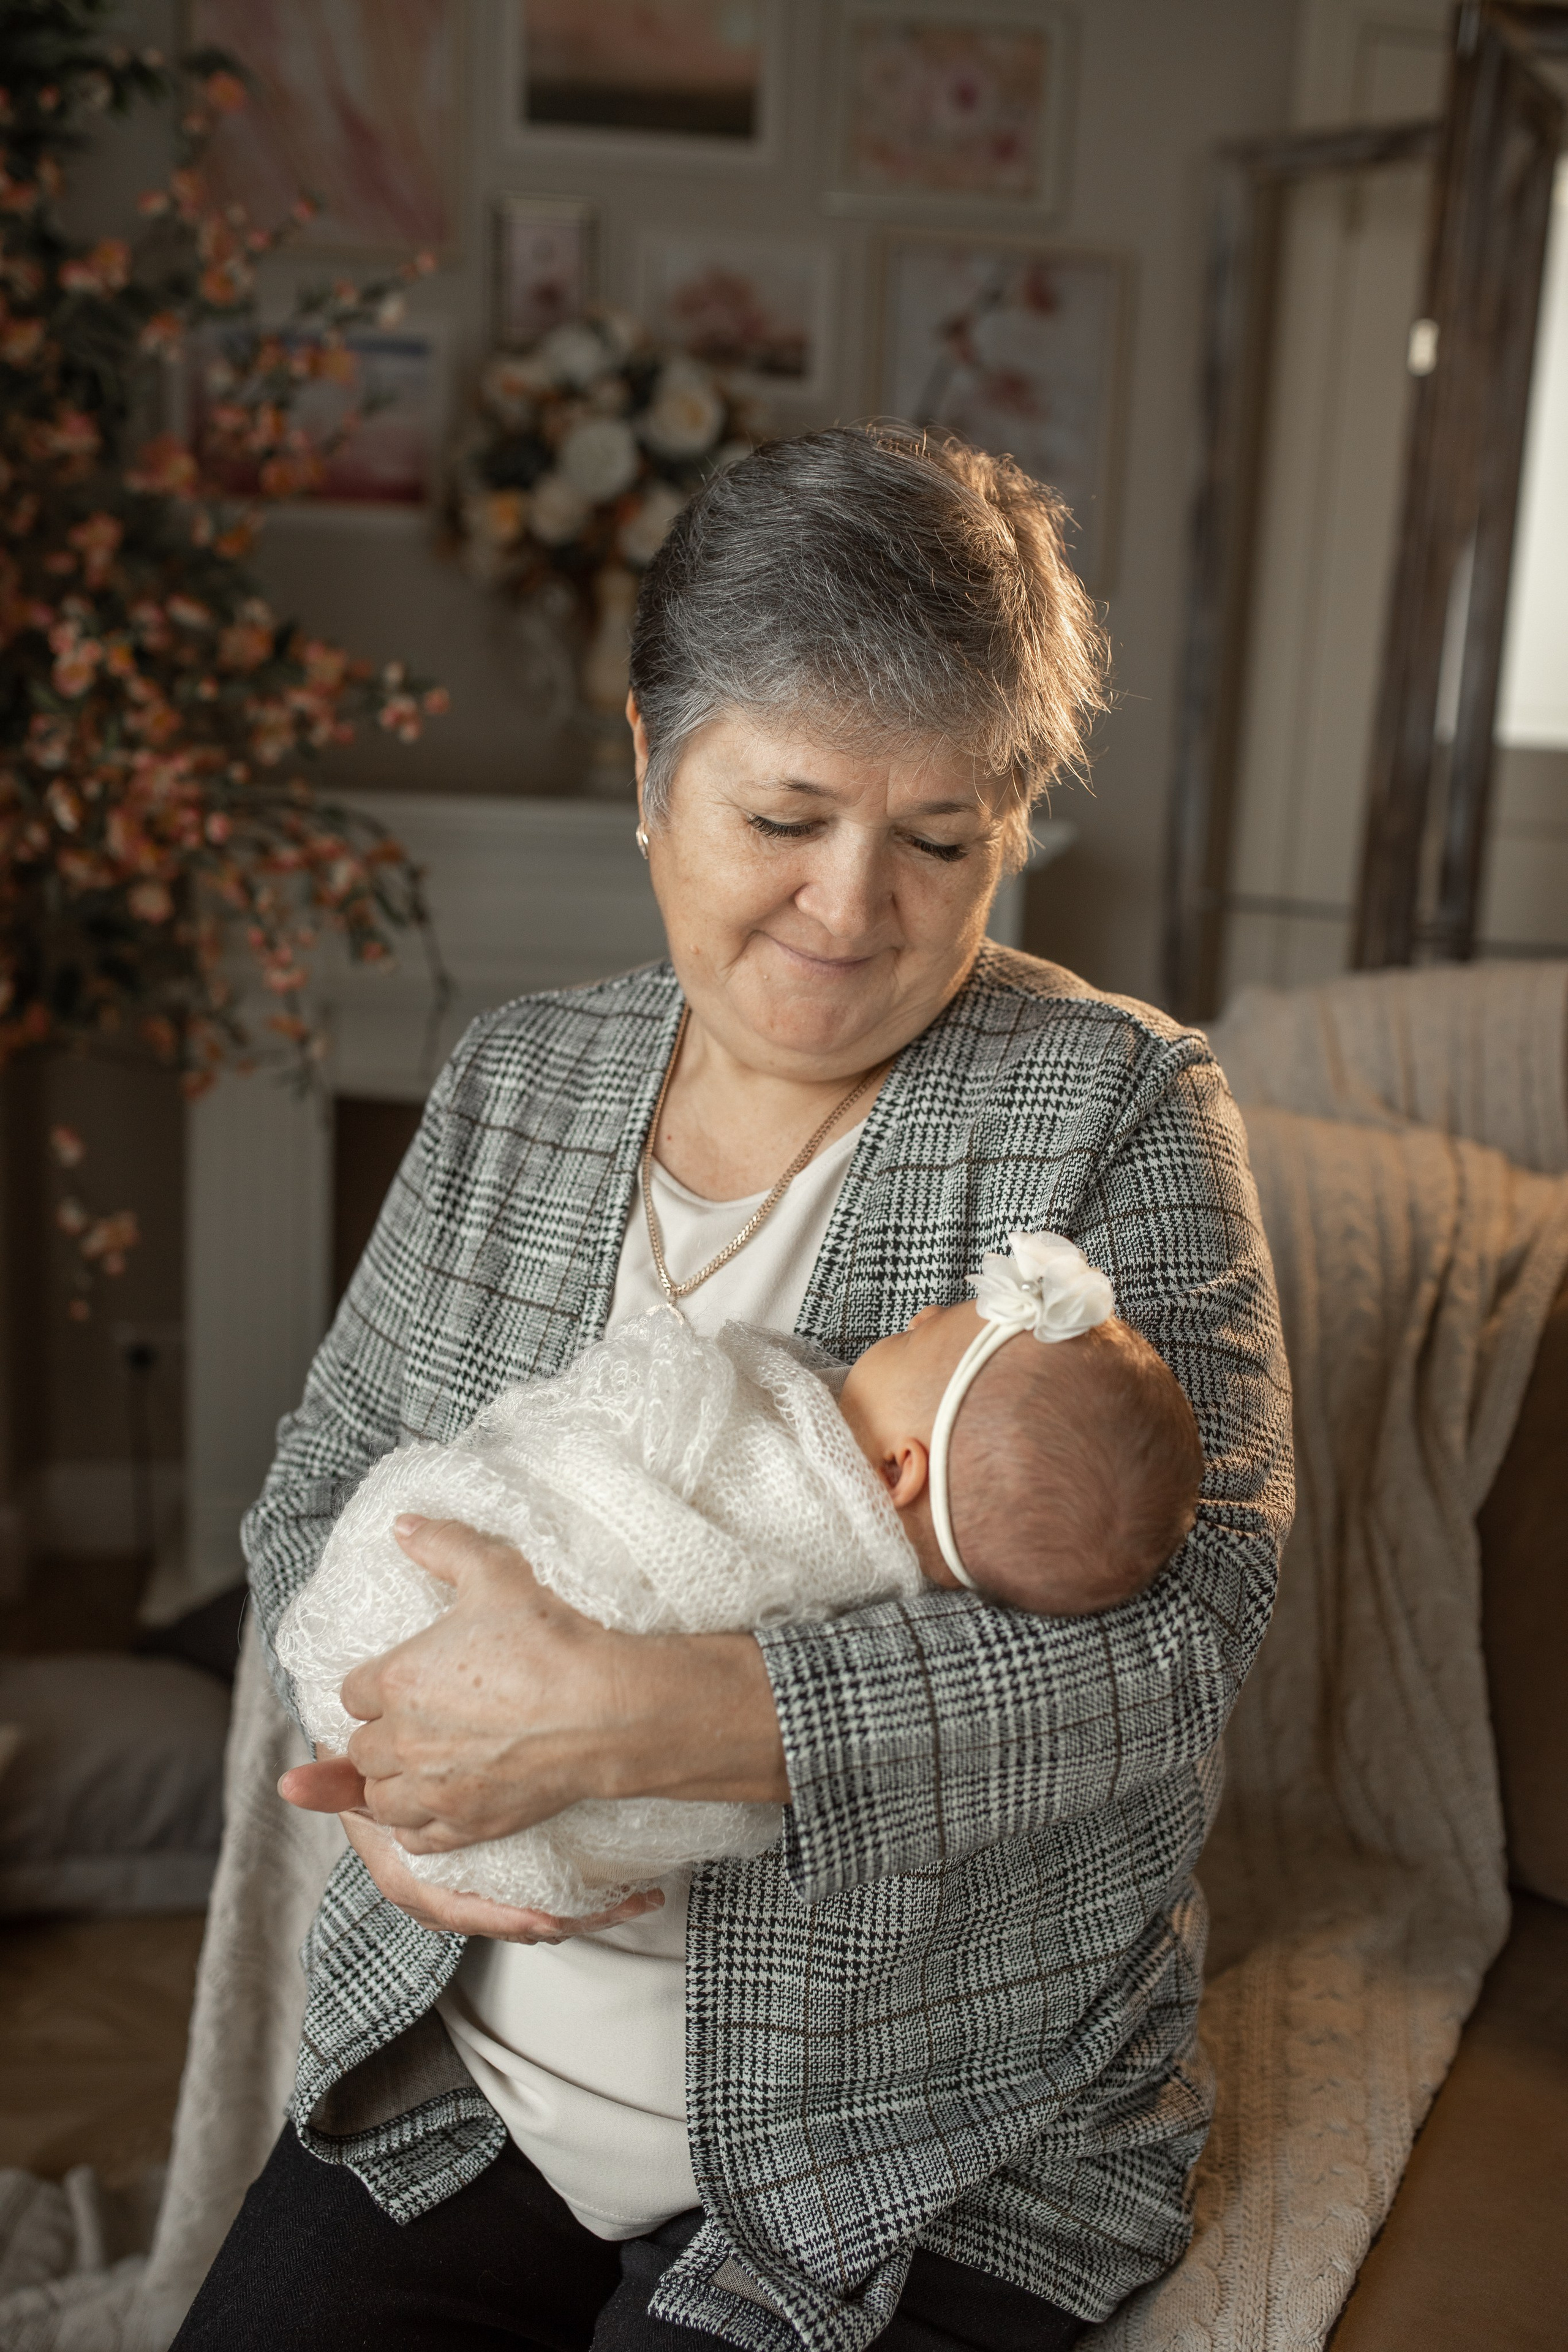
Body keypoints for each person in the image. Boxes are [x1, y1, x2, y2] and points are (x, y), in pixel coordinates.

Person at [175, 425, 1292, 2352]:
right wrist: (398, 1777)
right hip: (478, 2090)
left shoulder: (1117, 1105)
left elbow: (1177, 1646)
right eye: (786, 820)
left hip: (926, 2136)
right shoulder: (519, 1087)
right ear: (647, 768)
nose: (853, 910)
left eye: (939, 838)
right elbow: (314, 1493)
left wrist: (662, 1721)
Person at [273, 1233, 1205, 1917]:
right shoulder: (507, 1066)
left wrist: (610, 1701)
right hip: (442, 1951)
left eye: (930, 1332)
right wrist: (375, 1787)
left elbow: (1183, 1654)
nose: (919, 1312)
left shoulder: (1132, 1099)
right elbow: (311, 1472)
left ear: (897, 1471)